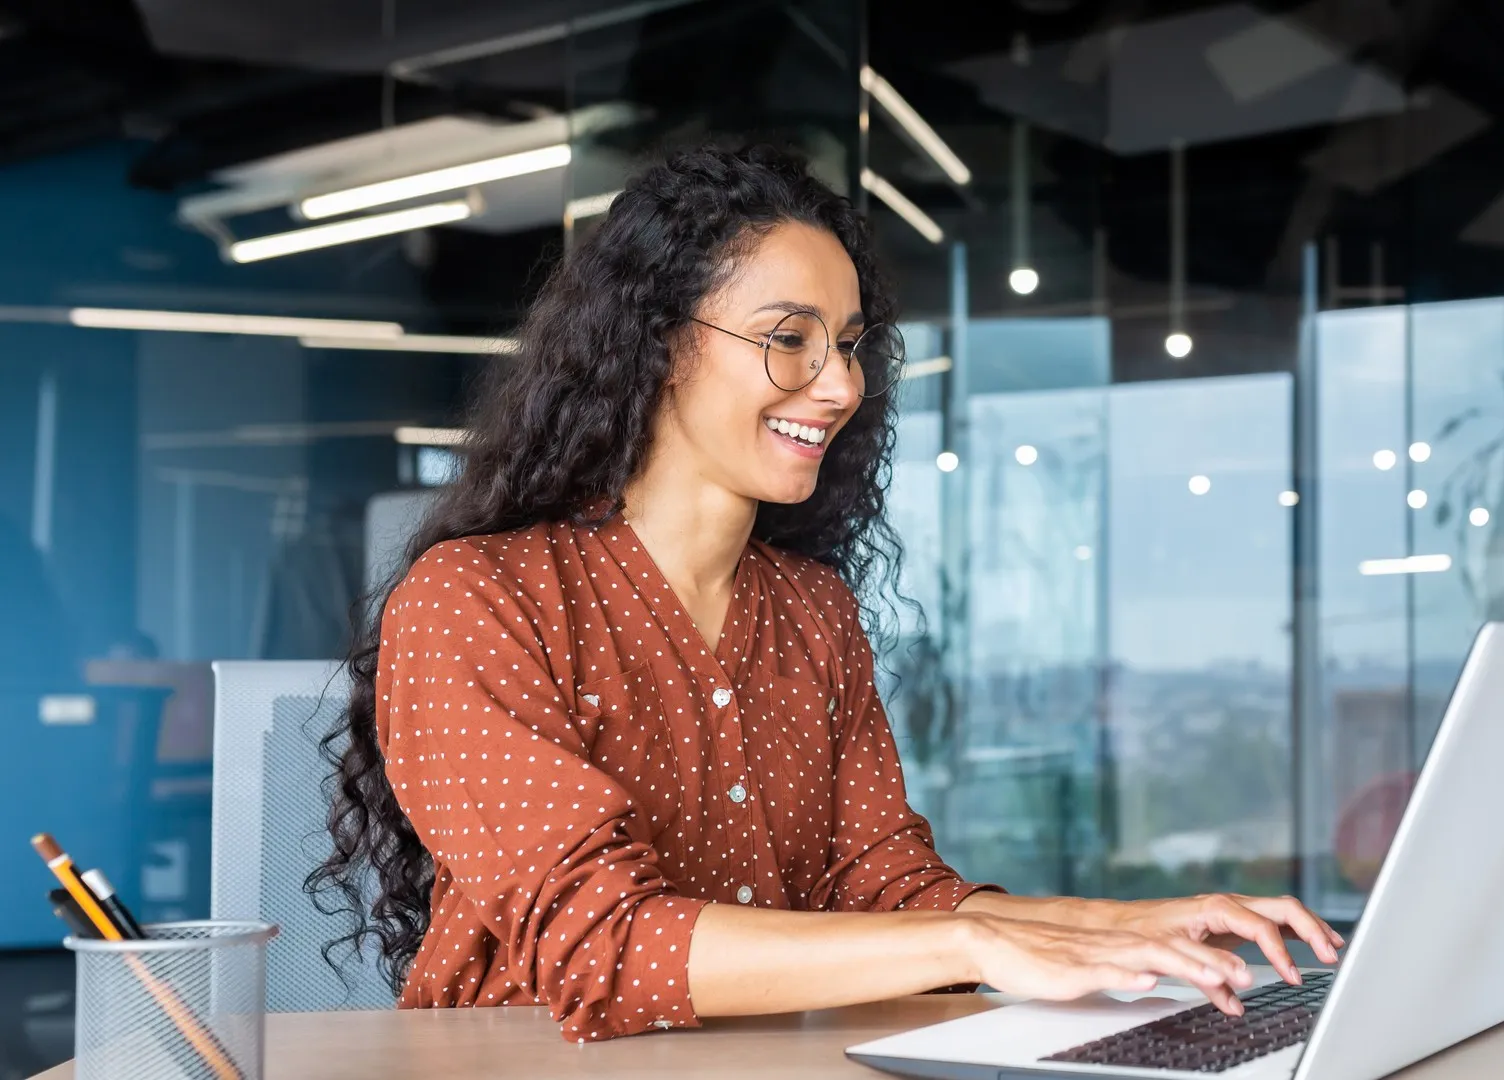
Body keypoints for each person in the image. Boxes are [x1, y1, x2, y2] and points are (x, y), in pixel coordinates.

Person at [310, 144, 1340, 1044]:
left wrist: (1127, 928)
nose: (841, 384)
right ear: (661, 341)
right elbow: (604, 943)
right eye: (789, 338)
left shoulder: (810, 612)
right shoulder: (476, 600)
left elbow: (887, 890)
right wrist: (981, 940)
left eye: (846, 343)